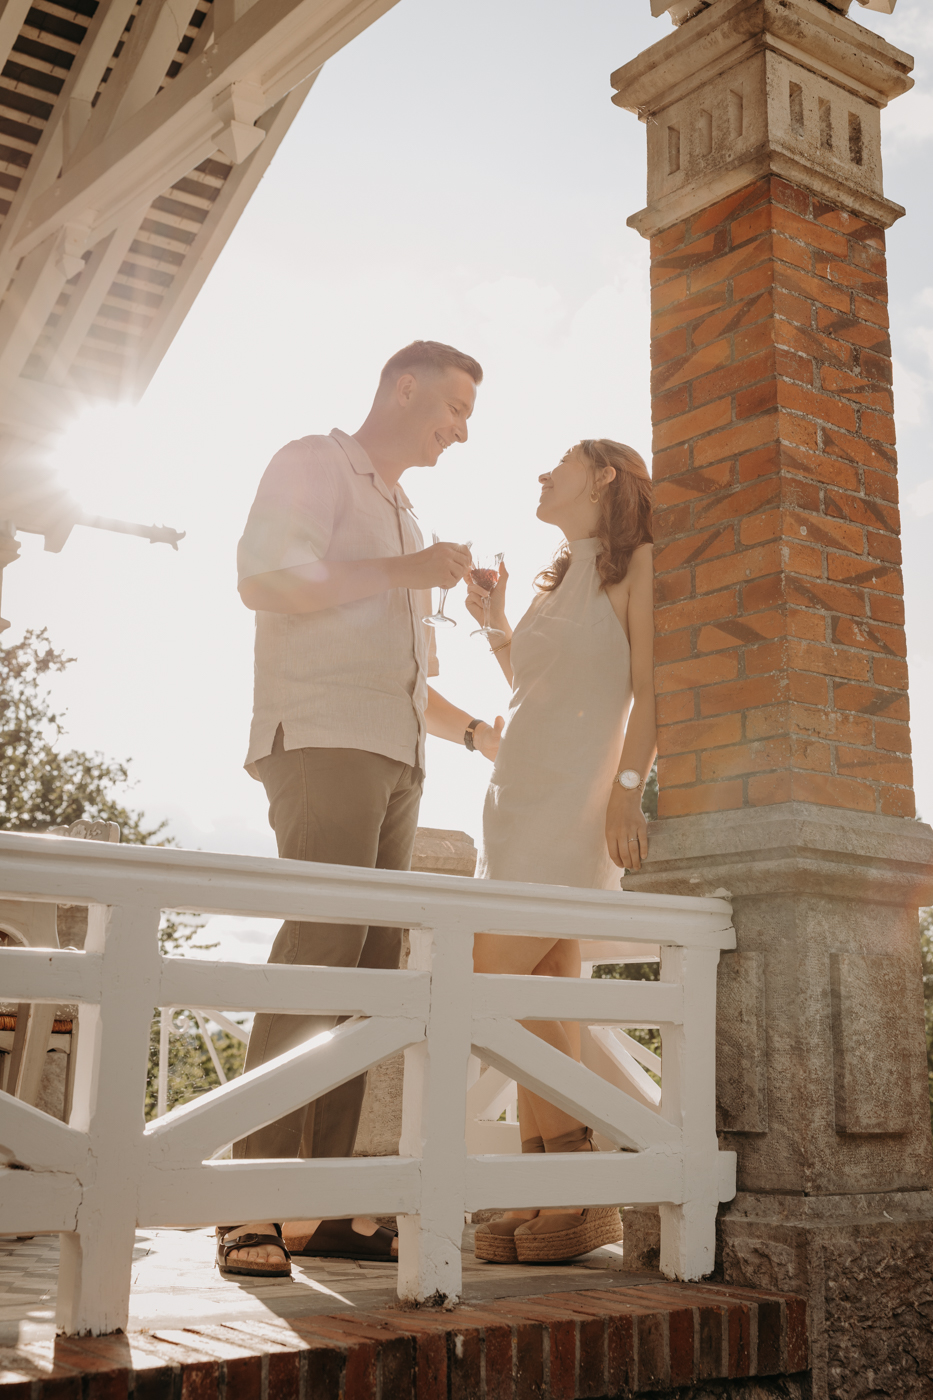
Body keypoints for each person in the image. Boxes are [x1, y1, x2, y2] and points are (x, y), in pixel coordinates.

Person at [218, 341, 503, 1280]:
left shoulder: (405, 510)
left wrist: (473, 736)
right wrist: (403, 570)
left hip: (398, 760)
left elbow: (404, 675)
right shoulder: (311, 461)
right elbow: (262, 582)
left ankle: (325, 1206)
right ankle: (245, 1203)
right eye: (454, 408)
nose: (461, 429)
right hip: (323, 744)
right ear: (404, 385)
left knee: (371, 979)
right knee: (317, 957)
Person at [464, 438, 656, 1265]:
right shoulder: (553, 579)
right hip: (514, 799)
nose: (540, 474)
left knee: (479, 977)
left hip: (574, 804)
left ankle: (577, 1181)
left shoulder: (638, 564)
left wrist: (624, 793)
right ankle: (560, 1191)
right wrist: (492, 625)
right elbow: (534, 687)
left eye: (559, 465)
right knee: (539, 989)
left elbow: (650, 686)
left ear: (604, 475)